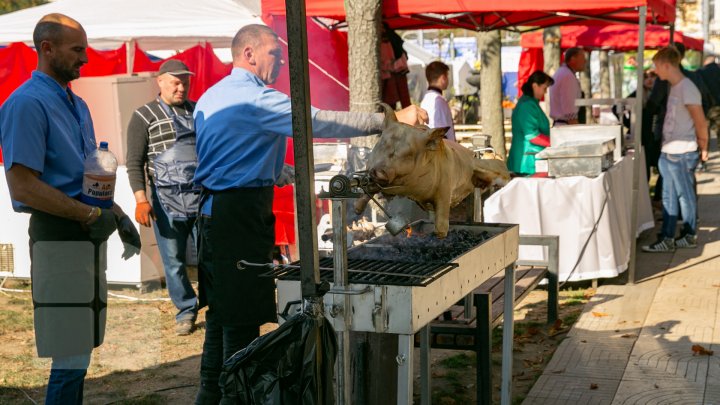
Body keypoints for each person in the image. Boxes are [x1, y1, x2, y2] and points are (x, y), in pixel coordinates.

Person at [192, 24, 427, 404]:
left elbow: (228, 153)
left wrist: (279, 173)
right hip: (237, 216)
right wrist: (389, 119)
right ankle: (233, 399)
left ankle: (208, 395)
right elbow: (313, 120)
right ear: (248, 53)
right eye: (275, 55)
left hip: (215, 214)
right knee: (240, 325)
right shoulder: (255, 99)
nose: (281, 63)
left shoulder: (211, 96)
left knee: (221, 317)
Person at [0, 13, 139, 404]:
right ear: (47, 48)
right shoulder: (26, 104)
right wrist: (90, 216)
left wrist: (116, 214)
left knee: (80, 348)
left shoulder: (76, 104)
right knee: (70, 352)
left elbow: (89, 177)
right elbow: (23, 186)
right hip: (59, 237)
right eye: (77, 49)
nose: (86, 58)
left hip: (82, 236)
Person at [125, 59, 199, 336]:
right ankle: (186, 310)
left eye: (185, 83)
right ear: (160, 81)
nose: (182, 88)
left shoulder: (198, 111)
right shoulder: (143, 116)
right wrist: (141, 199)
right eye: (176, 83)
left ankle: (216, 305)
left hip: (200, 195)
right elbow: (135, 162)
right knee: (174, 259)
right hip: (165, 200)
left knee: (209, 256)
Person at [642, 46, 708, 253]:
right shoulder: (675, 87)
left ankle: (689, 234)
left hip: (683, 152)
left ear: (667, 65)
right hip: (670, 152)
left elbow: (700, 120)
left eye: (657, 67)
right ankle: (667, 237)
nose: (655, 72)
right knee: (670, 196)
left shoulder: (687, 88)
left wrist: (703, 146)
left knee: (684, 195)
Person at [507, 70, 554, 175]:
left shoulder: (532, 103)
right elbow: (532, 136)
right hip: (526, 163)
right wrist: (554, 143)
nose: (545, 92)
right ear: (535, 86)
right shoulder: (527, 105)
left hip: (532, 159)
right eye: (544, 88)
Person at [549, 47, 587, 126]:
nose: (585, 61)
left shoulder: (563, 73)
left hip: (563, 126)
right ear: (573, 59)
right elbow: (569, 109)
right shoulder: (567, 76)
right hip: (566, 127)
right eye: (582, 58)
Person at [420, 61, 456, 142]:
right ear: (443, 78)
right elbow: (441, 134)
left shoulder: (425, 99)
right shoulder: (439, 101)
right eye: (447, 76)